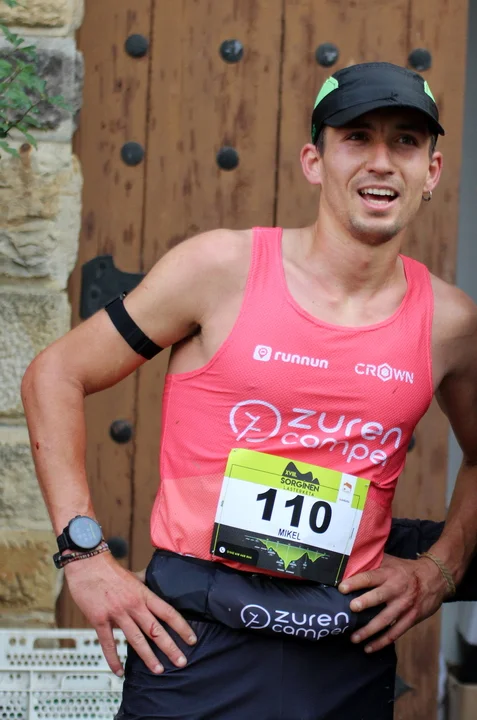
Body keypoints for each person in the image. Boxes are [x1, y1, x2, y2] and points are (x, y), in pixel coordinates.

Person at [21, 62, 477, 720]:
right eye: (356, 138)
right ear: (314, 161)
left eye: (405, 141)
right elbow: (56, 374)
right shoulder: (220, 268)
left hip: (342, 645)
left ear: (430, 171)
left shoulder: (451, 323)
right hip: (196, 638)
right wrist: (84, 554)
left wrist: (440, 567)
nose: (381, 161)